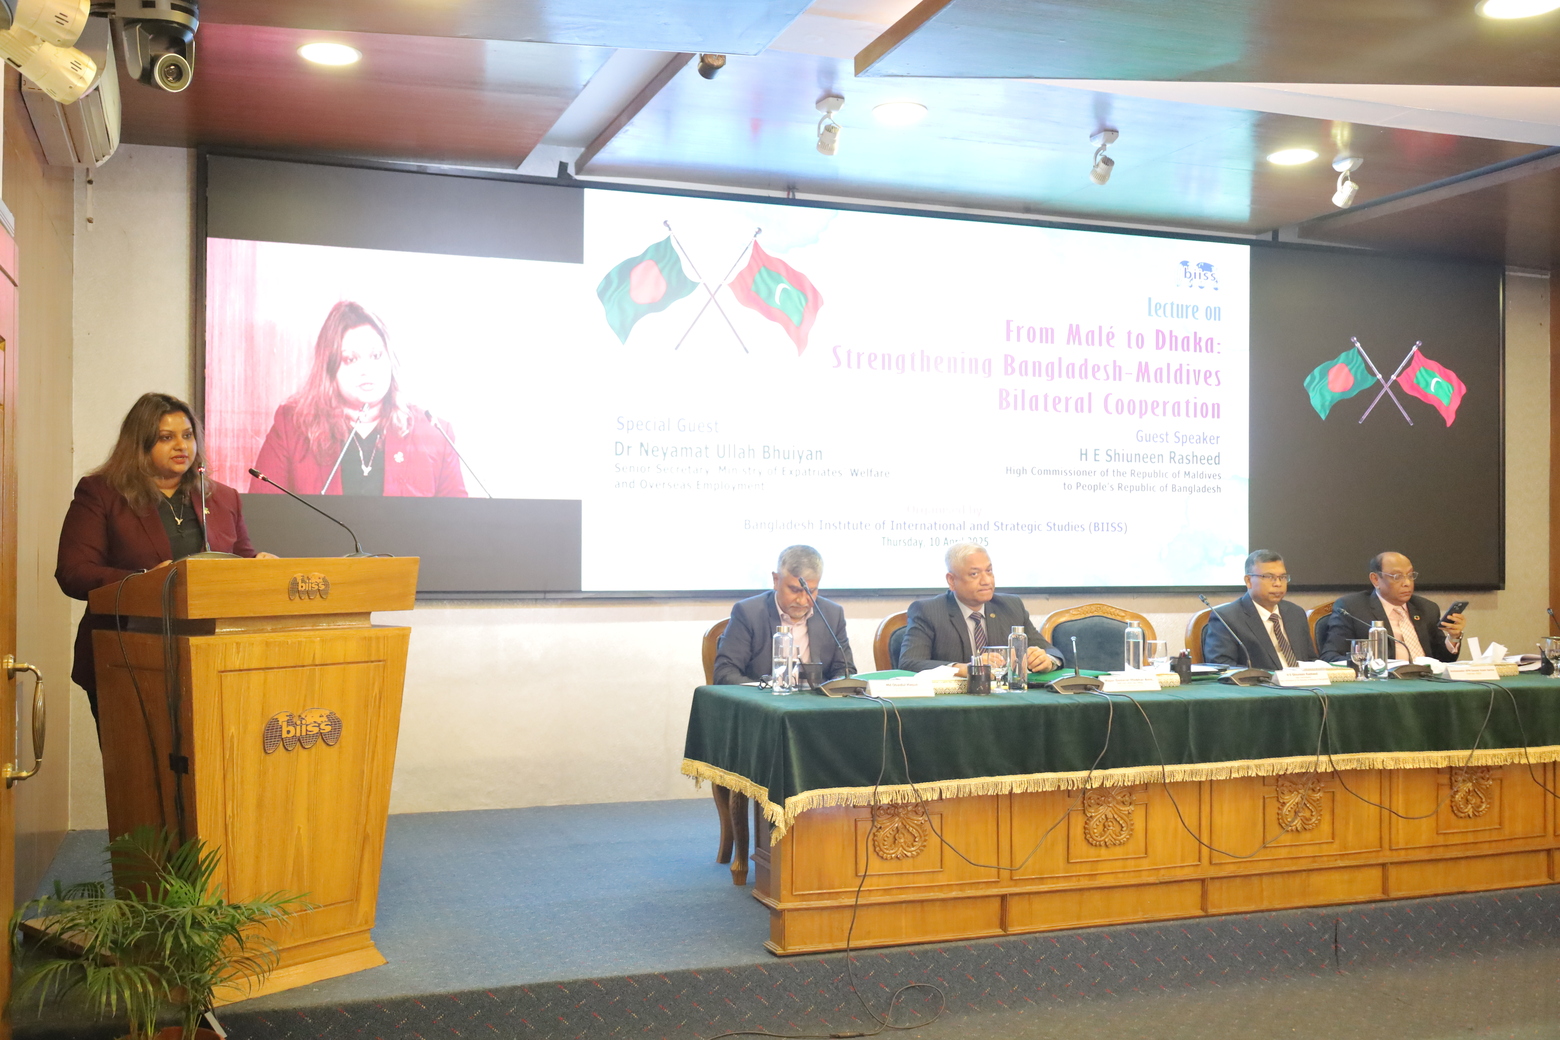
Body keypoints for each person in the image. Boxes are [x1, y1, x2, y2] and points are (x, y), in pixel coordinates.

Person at [55, 393, 276, 723]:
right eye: (166, 437)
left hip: (214, 656)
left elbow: (240, 560)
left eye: (187, 435)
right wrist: (144, 581)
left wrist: (258, 566)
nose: (181, 446)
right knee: (139, 757)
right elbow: (74, 572)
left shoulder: (223, 498)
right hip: (129, 655)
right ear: (140, 442)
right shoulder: (102, 493)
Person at [250, 301, 468, 497]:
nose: (366, 370)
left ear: (390, 361)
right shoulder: (292, 427)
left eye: (376, 356)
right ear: (329, 369)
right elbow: (264, 515)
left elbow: (458, 522)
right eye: (351, 359)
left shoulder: (434, 433)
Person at [899, 542, 1057, 675]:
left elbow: (1051, 652)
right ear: (951, 580)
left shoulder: (1011, 606)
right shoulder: (928, 611)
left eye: (989, 571)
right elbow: (910, 662)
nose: (986, 581)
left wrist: (1046, 660)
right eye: (974, 574)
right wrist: (966, 668)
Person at [713, 545, 854, 684]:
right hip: (763, 697)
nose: (802, 600)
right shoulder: (748, 613)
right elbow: (725, 673)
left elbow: (845, 670)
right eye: (794, 590)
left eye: (810, 591)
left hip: (816, 698)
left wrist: (837, 684)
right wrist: (765, 689)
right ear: (776, 580)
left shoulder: (832, 615)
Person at [1320, 551, 1464, 664]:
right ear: (1376, 579)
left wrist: (1454, 637)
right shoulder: (1352, 608)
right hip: (1385, 683)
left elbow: (1443, 660)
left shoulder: (1427, 608)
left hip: (1428, 681)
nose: (1407, 583)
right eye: (1397, 577)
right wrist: (1369, 664)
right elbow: (1331, 656)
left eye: (1410, 575)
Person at [1202, 550, 1316, 670]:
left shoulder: (1296, 613)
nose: (1278, 583)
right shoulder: (1227, 618)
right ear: (1248, 581)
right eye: (1269, 577)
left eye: (1282, 577)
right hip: (1261, 681)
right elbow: (1223, 666)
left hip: (1302, 680)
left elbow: (1310, 659)